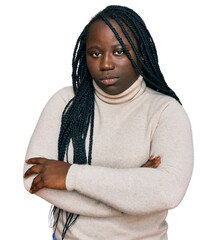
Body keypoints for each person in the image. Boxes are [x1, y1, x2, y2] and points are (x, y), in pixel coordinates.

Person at [23, 5, 194, 240]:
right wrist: (132, 193)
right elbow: (32, 178)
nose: (105, 64)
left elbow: (168, 191)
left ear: (140, 52)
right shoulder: (65, 102)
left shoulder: (166, 111)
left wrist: (71, 176)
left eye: (119, 51)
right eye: (95, 53)